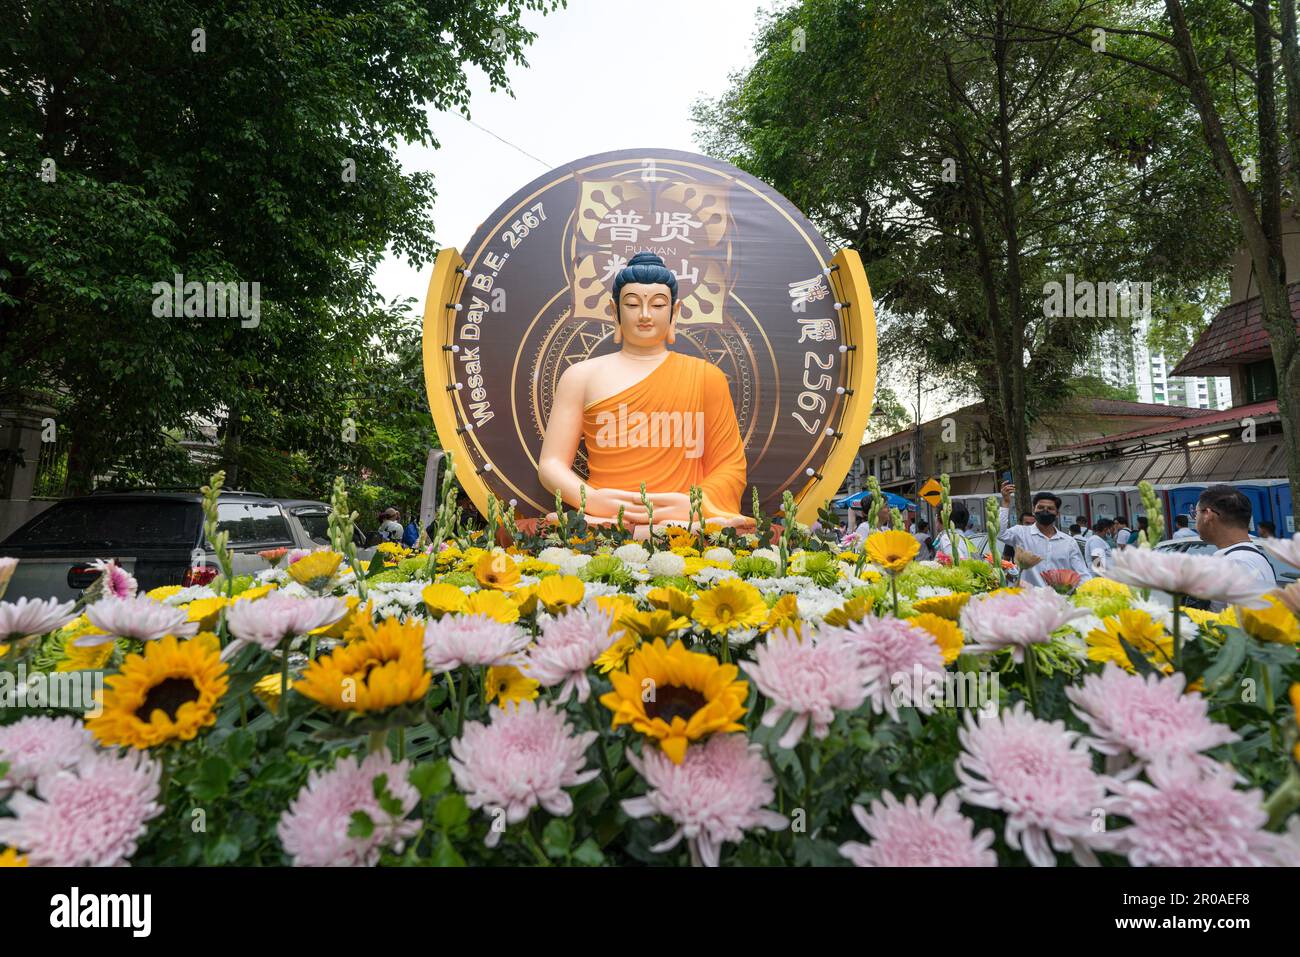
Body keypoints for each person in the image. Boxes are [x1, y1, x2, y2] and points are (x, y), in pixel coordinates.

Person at [1194, 485, 1276, 609]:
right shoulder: (1246, 557)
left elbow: (1241, 624)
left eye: (1195, 513)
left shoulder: (1238, 562)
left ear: (1208, 515)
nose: (1195, 519)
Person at [996, 483, 1094, 586]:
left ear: (1057, 514)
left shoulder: (1069, 542)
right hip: (1028, 599)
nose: (1045, 511)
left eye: (1050, 509)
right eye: (1041, 507)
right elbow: (1000, 533)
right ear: (1034, 510)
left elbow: (1082, 574)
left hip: (1060, 599)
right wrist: (1006, 502)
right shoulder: (1021, 533)